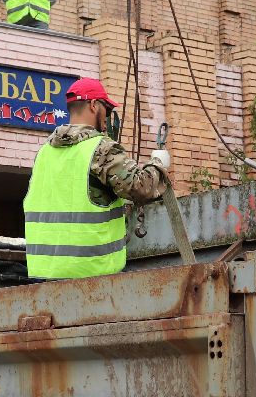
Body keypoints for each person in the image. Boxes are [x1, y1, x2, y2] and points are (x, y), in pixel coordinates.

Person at [23, 78, 170, 279]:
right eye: (107, 110)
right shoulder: (101, 149)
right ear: (94, 106)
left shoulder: (43, 154)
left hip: (42, 276)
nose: (108, 117)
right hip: (91, 277)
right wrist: (158, 164)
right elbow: (140, 187)